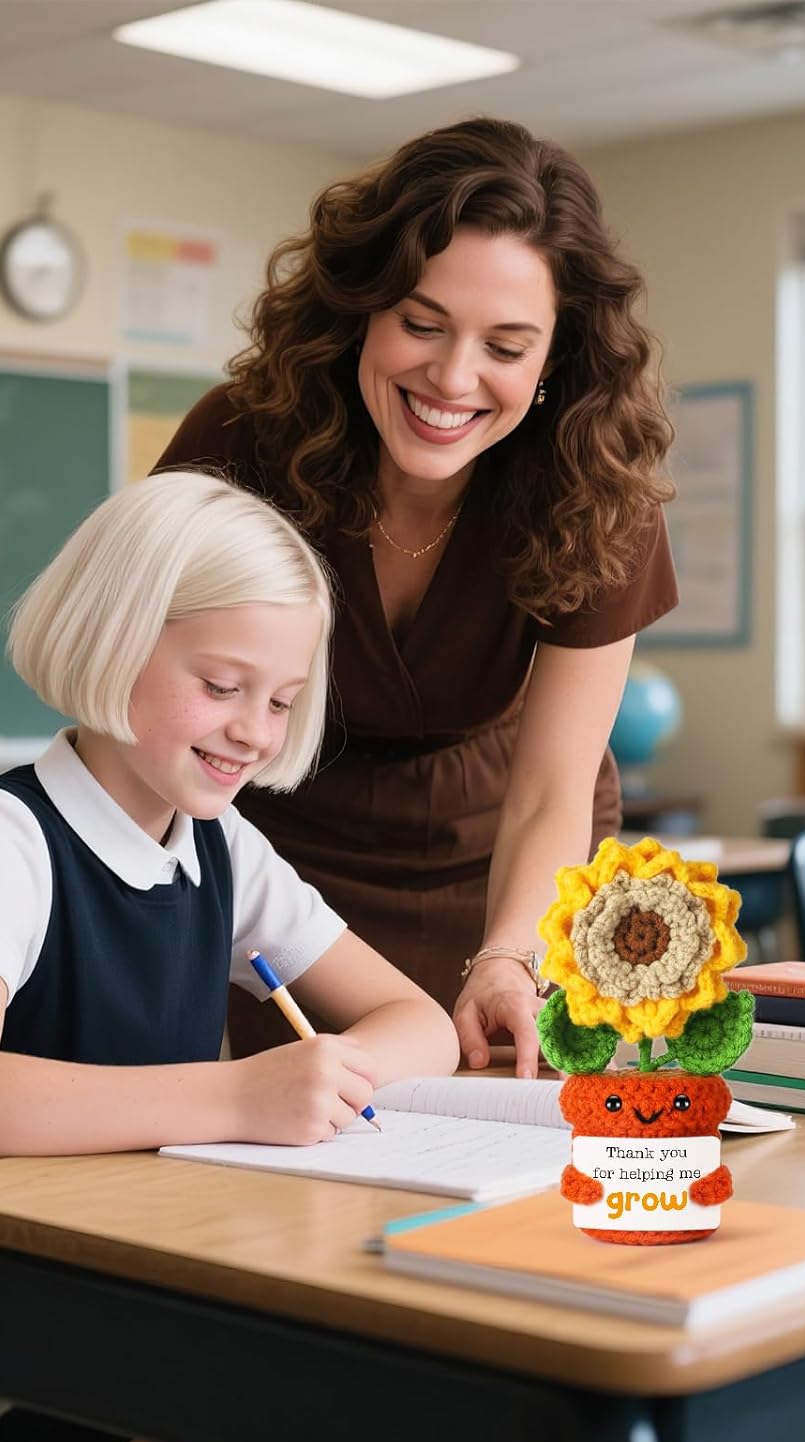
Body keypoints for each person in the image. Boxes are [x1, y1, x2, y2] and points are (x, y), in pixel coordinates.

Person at [0, 471, 458, 1442]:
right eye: (221, 687)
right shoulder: (5, 837)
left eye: (282, 700)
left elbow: (422, 1025)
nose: (255, 732)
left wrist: (333, 1074)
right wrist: (238, 1096)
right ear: (114, 638)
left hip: (151, 1284)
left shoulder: (221, 846)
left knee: (395, 1395)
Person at [155, 117, 679, 1079]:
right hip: (278, 862)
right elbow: (151, 695)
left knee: (494, 1153)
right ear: (361, 309)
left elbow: (554, 785)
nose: (451, 377)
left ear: (554, 360)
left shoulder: (596, 490)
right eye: (422, 324)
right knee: (289, 1151)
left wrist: (512, 956)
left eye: (506, 346)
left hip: (506, 856)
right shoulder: (239, 443)